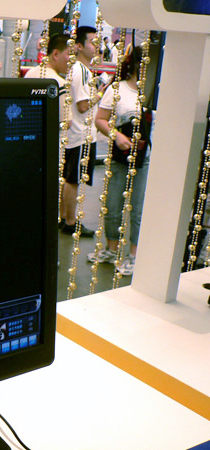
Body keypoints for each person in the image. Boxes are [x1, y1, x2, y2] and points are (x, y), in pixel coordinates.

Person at [88, 47, 150, 276]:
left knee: (138, 209)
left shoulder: (155, 92)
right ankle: (112, 249)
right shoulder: (117, 89)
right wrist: (117, 136)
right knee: (113, 205)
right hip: (119, 156)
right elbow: (100, 120)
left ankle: (134, 255)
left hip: (145, 158)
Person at [60, 26, 104, 238]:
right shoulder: (81, 71)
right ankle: (70, 222)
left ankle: (64, 218)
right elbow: (83, 105)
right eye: (93, 43)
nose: (97, 47)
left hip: (76, 135)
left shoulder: (77, 69)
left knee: (69, 178)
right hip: (81, 135)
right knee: (73, 180)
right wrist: (101, 93)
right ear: (79, 45)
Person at [24, 33, 72, 124]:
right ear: (56, 54)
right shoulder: (59, 83)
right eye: (70, 54)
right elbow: (66, 122)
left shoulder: (30, 73)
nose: (72, 60)